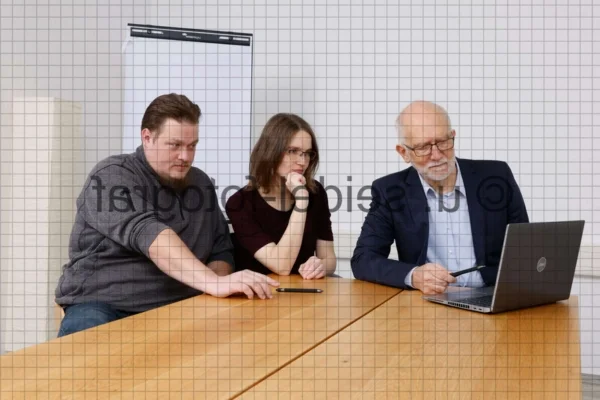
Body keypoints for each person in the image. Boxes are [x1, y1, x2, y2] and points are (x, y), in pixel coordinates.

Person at [55, 93, 279, 337]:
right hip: (105, 305)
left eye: (192, 146)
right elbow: (151, 235)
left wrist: (216, 289)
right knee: (89, 347)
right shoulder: (112, 175)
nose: (186, 156)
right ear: (147, 137)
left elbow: (220, 249)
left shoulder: (201, 183)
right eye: (175, 145)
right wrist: (213, 283)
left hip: (181, 306)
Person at [351, 101, 529, 294]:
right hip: (429, 301)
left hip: (493, 295)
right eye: (423, 147)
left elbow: (526, 246)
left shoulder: (496, 176)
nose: (436, 155)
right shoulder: (389, 190)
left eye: (443, 142)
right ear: (404, 153)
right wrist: (414, 276)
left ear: (453, 136)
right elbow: (363, 260)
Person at [226, 113, 336, 279]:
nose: (302, 161)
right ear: (271, 152)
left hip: (302, 288)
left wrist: (321, 266)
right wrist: (301, 201)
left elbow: (329, 258)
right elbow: (282, 266)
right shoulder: (240, 203)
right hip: (259, 291)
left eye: (307, 153)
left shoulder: (316, 192)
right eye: (293, 151)